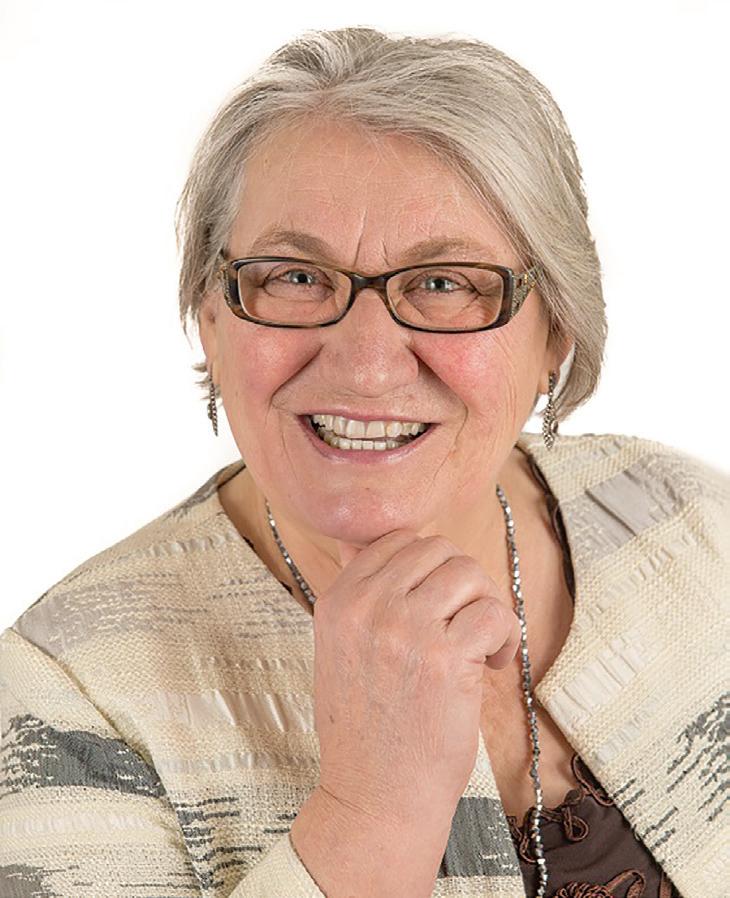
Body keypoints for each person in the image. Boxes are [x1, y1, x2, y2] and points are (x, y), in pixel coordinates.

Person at [0, 26, 726, 898]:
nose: (367, 364)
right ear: (212, 319)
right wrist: (372, 815)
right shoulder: (65, 698)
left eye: (445, 283)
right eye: (295, 277)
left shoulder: (688, 521)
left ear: (555, 335)